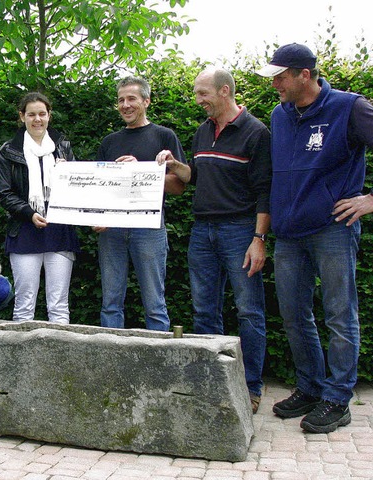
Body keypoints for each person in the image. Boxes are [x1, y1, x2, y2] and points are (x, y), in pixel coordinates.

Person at [256, 43, 373, 433]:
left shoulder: (350, 107)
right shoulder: (280, 114)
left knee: (340, 315)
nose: (275, 83)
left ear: (305, 74)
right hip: (289, 235)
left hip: (332, 231)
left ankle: (338, 399)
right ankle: (310, 387)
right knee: (293, 315)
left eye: (281, 76)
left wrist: (370, 200)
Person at [157, 68, 271, 414]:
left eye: (203, 93)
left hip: (240, 230)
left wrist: (259, 238)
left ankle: (250, 387)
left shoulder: (256, 132)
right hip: (202, 230)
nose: (198, 100)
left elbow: (266, 190)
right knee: (204, 310)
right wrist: (176, 165)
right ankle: (214, 380)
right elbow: (197, 176)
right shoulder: (203, 131)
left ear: (225, 91)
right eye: (195, 93)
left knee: (249, 311)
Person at [94, 76, 186, 331]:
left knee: (155, 304)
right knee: (110, 302)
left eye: (131, 99)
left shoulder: (164, 136)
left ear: (146, 101)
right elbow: (99, 188)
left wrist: (142, 173)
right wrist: (97, 217)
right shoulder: (109, 142)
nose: (125, 105)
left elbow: (179, 186)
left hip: (149, 228)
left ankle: (159, 365)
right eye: (121, 100)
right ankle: (111, 361)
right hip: (111, 230)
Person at [0, 92, 80, 324]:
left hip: (59, 229)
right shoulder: (8, 151)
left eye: (42, 114)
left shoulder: (63, 147)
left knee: (59, 305)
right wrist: (30, 213)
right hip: (24, 230)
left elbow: (78, 189)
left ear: (49, 116)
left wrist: (68, 173)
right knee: (24, 304)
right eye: (31, 114)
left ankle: (60, 358)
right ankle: (21, 360)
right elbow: (5, 194)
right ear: (21, 116)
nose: (37, 119)